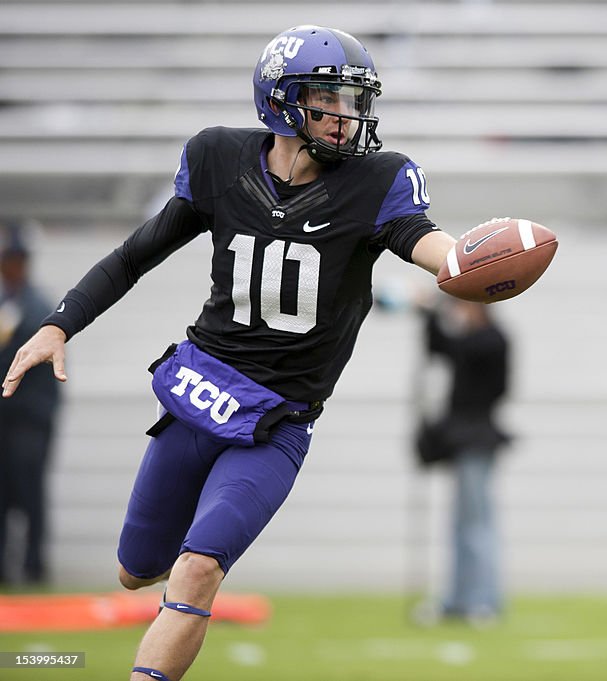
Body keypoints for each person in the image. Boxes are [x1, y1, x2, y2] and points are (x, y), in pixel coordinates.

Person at [2, 25, 463, 681]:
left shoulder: (376, 181)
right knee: (136, 570)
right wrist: (58, 324)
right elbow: (136, 255)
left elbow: (428, 242)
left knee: (197, 568)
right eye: (328, 100)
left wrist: (470, 262)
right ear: (281, 102)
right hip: (199, 397)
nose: (346, 117)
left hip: (274, 424)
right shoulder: (220, 158)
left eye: (353, 102)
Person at [415, 297, 510, 625]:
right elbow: (440, 347)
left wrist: (437, 310)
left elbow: (462, 350)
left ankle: (483, 600)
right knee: (461, 524)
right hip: (464, 440)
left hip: (478, 440)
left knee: (476, 524)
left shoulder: (492, 338)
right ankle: (457, 599)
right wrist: (429, 316)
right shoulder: (472, 339)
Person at [0, 223, 60, 586]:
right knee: (2, 495)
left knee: (30, 493)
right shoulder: (7, 302)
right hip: (4, 418)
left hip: (28, 419)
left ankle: (34, 565)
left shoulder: (37, 306)